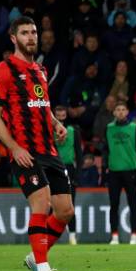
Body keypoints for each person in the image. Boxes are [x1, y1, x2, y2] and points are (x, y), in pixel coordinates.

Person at [0, 16, 73, 271]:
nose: (31, 37)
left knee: (65, 211)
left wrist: (56, 123)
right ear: (13, 38)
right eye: (25, 33)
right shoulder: (1, 71)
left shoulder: (40, 70)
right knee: (41, 203)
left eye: (34, 32)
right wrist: (13, 147)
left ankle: (36, 257)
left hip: (49, 150)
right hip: (26, 151)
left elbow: (42, 104)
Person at [103, 101, 136, 245]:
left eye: (123, 109)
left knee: (133, 205)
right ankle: (114, 236)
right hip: (114, 171)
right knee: (114, 205)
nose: (120, 112)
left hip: (130, 171)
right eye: (118, 109)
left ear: (127, 112)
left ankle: (134, 236)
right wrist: (104, 169)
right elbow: (105, 150)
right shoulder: (108, 128)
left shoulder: (134, 128)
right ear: (114, 112)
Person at [53, 105, 82, 245]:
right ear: (55, 114)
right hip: (52, 167)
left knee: (70, 205)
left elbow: (79, 153)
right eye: (58, 112)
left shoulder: (73, 130)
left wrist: (77, 175)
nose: (61, 114)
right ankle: (48, 235)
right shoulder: (48, 130)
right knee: (49, 204)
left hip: (68, 168)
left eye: (63, 111)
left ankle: (72, 236)